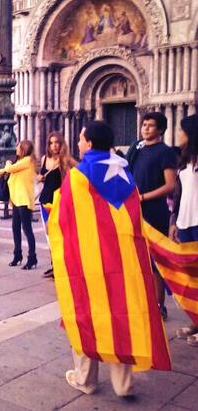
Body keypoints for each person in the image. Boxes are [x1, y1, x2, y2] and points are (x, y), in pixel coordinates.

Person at [48, 120, 171, 398]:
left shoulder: (79, 176)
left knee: (85, 314)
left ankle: (85, 379)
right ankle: (123, 384)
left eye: (81, 139)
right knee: (121, 315)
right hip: (125, 261)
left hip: (91, 260)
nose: (79, 143)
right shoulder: (124, 171)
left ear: (89, 143)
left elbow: (65, 219)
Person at [127, 112, 176, 319]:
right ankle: (141, 302)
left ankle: (159, 306)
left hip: (155, 212)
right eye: (144, 124)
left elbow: (170, 185)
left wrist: (144, 197)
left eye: (150, 125)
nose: (145, 128)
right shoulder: (136, 149)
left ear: (161, 130)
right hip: (134, 211)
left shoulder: (165, 152)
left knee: (155, 262)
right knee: (137, 259)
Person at [169, 114, 198, 346]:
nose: (179, 135)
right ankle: (196, 320)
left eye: (182, 131)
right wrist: (173, 222)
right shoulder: (184, 162)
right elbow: (178, 196)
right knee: (191, 278)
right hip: (185, 224)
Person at [0, 140, 38, 269]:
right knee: (15, 228)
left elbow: (9, 168)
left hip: (23, 200)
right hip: (16, 199)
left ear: (23, 149)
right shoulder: (20, 162)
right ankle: (17, 255)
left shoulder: (27, 160)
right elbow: (6, 170)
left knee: (27, 229)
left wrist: (7, 161)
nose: (16, 149)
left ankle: (32, 257)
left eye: (18, 147)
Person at [38, 132, 76, 278]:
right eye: (51, 143)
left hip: (59, 202)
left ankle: (62, 266)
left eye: (57, 143)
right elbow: (41, 176)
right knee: (49, 236)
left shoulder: (66, 159)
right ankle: (54, 265)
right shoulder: (44, 159)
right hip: (45, 201)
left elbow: (80, 171)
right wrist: (39, 177)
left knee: (60, 236)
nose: (54, 146)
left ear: (61, 144)